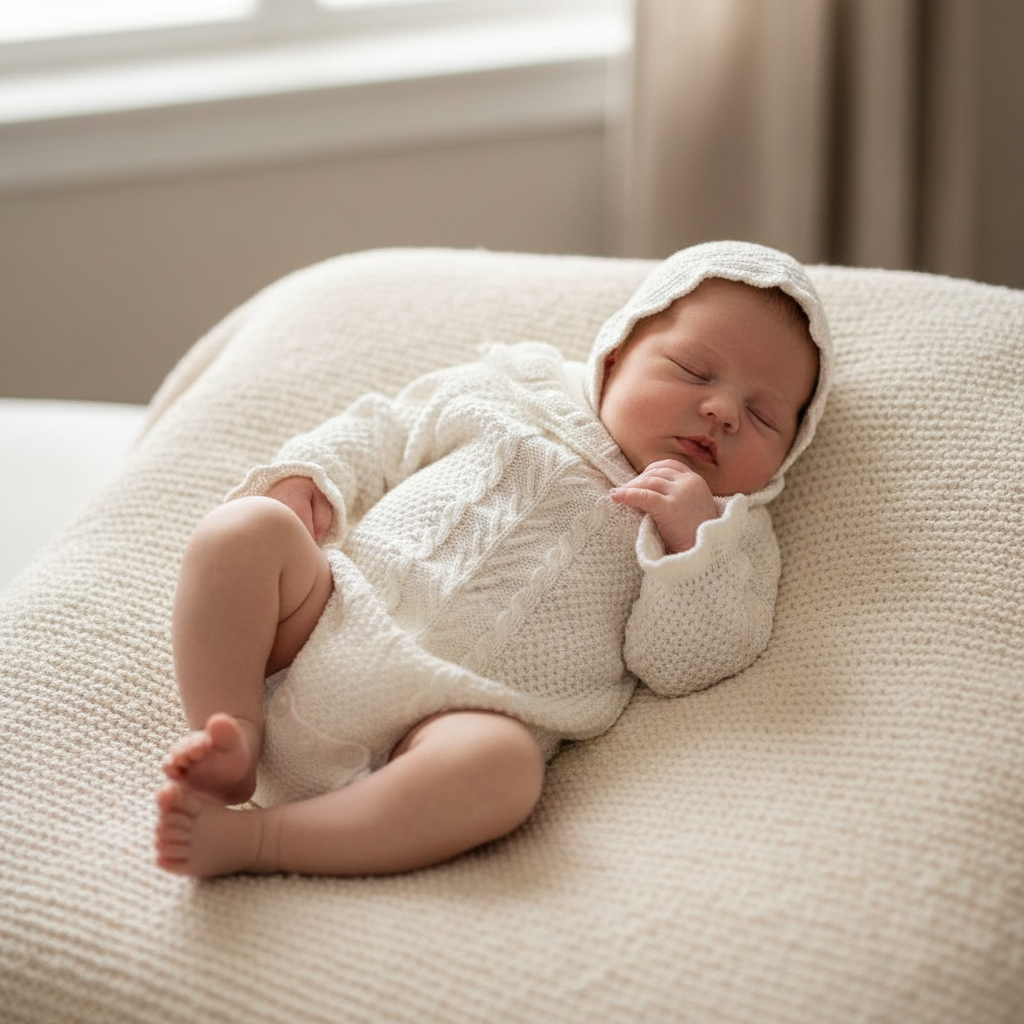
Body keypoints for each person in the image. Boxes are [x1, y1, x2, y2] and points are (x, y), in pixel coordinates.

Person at [154, 240, 833, 878]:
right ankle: (231, 732)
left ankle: (260, 842)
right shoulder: (513, 388)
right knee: (244, 529)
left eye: (764, 417)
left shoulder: (728, 536)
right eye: (694, 371)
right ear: (616, 355)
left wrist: (689, 544)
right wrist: (311, 477)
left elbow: (682, 664)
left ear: (785, 455)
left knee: (505, 771)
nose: (720, 411)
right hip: (323, 620)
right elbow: (383, 430)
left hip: (450, 726)